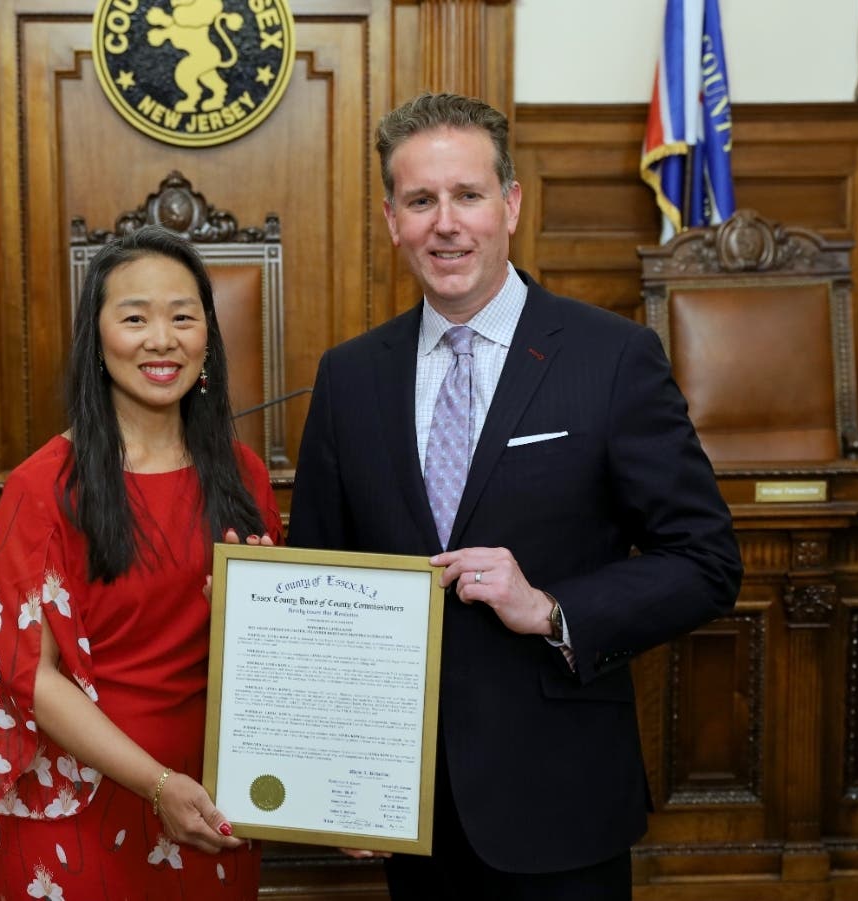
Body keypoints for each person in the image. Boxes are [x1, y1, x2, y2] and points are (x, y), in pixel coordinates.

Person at [287, 92, 743, 899]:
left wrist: (551, 608)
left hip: (560, 805)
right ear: (392, 219)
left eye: (467, 195)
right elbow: (326, 572)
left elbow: (707, 560)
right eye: (421, 200)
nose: (446, 223)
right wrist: (331, 779)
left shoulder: (612, 357)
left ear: (511, 204)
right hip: (408, 812)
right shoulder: (349, 377)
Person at [0, 225, 282, 900]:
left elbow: (274, 664)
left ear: (208, 334)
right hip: (80, 803)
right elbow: (33, 677)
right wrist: (155, 782)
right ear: (98, 336)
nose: (161, 339)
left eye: (183, 316)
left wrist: (261, 607)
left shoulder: (244, 478)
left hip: (210, 798)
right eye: (135, 317)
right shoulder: (41, 488)